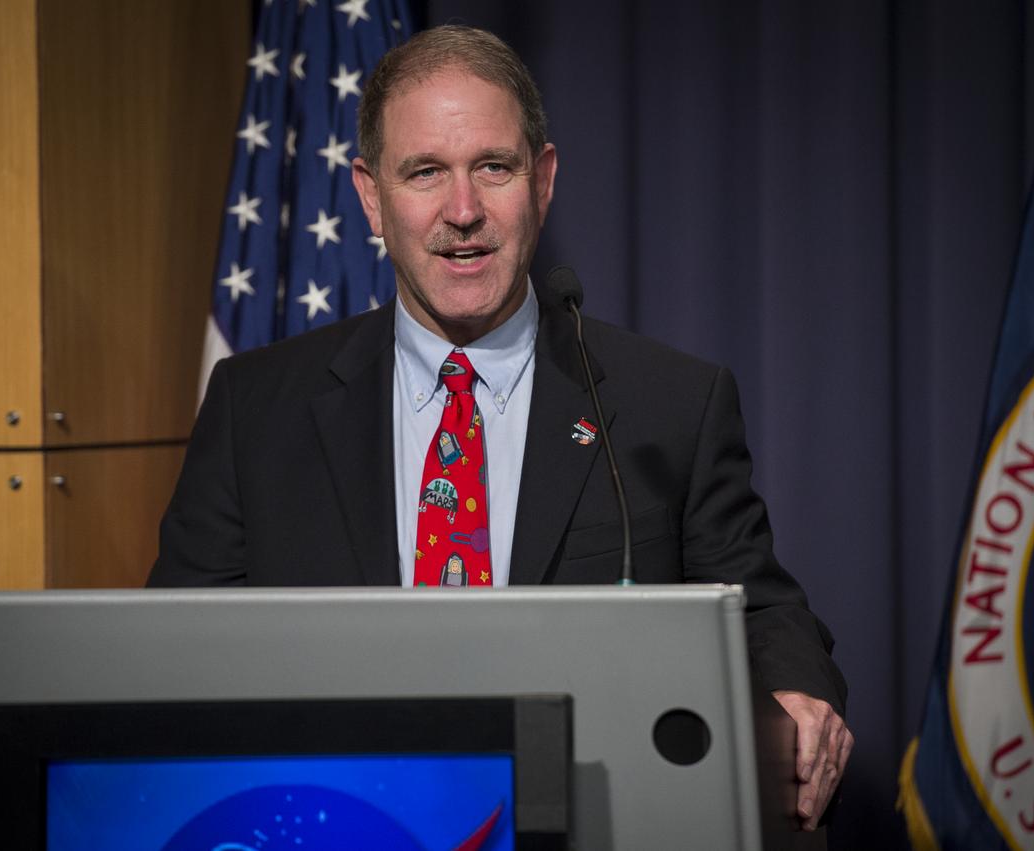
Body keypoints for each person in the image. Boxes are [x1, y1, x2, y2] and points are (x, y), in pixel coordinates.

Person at [150, 25, 852, 830]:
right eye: (425, 172)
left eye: (494, 167)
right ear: (371, 196)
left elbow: (761, 610)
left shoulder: (672, 404)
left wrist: (799, 693)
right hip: (337, 820)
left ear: (542, 181)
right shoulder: (254, 409)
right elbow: (173, 652)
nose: (463, 212)